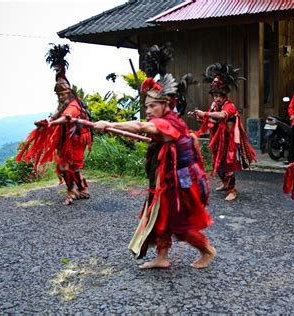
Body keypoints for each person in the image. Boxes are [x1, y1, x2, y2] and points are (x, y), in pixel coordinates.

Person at [94, 74, 216, 269]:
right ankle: (162, 257)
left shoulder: (167, 122)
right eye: (147, 106)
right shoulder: (167, 120)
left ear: (166, 105)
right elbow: (149, 130)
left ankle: (207, 251)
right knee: (160, 217)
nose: (148, 110)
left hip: (180, 183)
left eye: (153, 106)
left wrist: (109, 124)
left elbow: (141, 126)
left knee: (179, 224)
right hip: (167, 180)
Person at [17, 44, 92, 205]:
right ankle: (81, 189)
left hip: (78, 138)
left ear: (70, 93)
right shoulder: (64, 104)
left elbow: (65, 118)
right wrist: (47, 122)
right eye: (58, 94)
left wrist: (51, 125)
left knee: (66, 165)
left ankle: (74, 190)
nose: (60, 97)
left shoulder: (73, 105)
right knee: (69, 166)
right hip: (69, 138)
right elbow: (58, 115)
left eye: (63, 94)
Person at [189, 63, 257, 201]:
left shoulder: (229, 106)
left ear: (225, 95)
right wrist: (199, 117)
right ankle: (225, 184)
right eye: (215, 95)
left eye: (220, 96)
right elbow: (211, 122)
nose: (217, 98)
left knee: (228, 166)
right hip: (216, 139)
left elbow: (221, 116)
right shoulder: (214, 106)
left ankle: (233, 190)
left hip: (229, 141)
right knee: (218, 164)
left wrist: (205, 114)